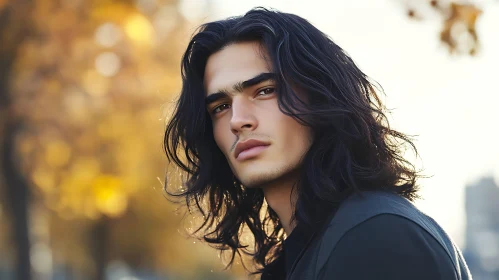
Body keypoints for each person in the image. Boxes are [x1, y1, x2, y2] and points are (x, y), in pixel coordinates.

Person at [164, 7, 472, 280]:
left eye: (264, 91)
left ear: (321, 96)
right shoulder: (311, 250)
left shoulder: (378, 235)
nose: (237, 120)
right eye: (220, 107)